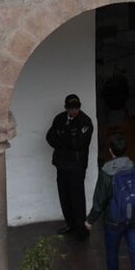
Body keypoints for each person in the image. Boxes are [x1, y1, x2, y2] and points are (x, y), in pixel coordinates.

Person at [86, 133, 135, 270]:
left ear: (111, 151)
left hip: (114, 220)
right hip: (134, 217)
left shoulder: (107, 171)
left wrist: (90, 220)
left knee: (112, 252)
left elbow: (100, 200)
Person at [46, 93, 94, 239]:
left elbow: (79, 144)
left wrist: (63, 138)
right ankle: (71, 224)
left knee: (77, 197)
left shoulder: (85, 122)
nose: (74, 111)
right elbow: (50, 137)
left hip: (76, 165)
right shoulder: (60, 119)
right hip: (62, 164)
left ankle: (81, 228)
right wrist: (66, 140)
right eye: (71, 108)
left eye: (76, 108)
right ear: (66, 108)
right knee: (64, 195)